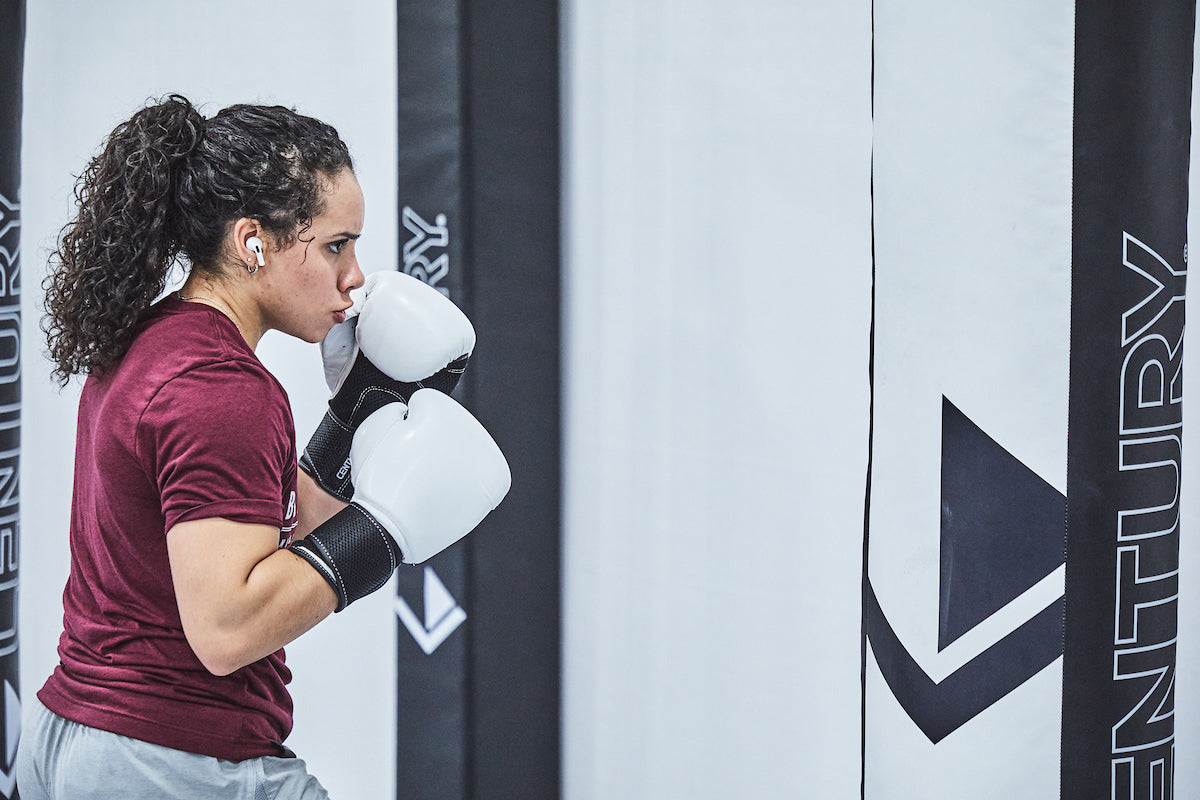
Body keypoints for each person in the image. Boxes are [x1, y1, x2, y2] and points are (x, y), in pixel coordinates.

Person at [15, 94, 510, 799]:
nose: (355, 276)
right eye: (336, 245)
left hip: (84, 734)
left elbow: (273, 538)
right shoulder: (223, 388)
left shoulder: (160, 339)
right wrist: (383, 530)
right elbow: (226, 627)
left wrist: (356, 410)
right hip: (169, 760)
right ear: (254, 242)